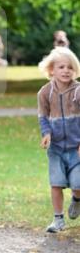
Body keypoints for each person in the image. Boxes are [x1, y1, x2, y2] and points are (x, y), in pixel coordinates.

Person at [37, 46, 80, 234]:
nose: (66, 71)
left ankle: (77, 200)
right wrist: (46, 134)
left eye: (70, 67)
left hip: (76, 148)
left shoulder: (78, 91)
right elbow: (43, 117)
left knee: (78, 185)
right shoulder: (45, 93)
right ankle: (58, 219)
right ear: (51, 70)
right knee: (56, 184)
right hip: (55, 149)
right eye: (61, 67)